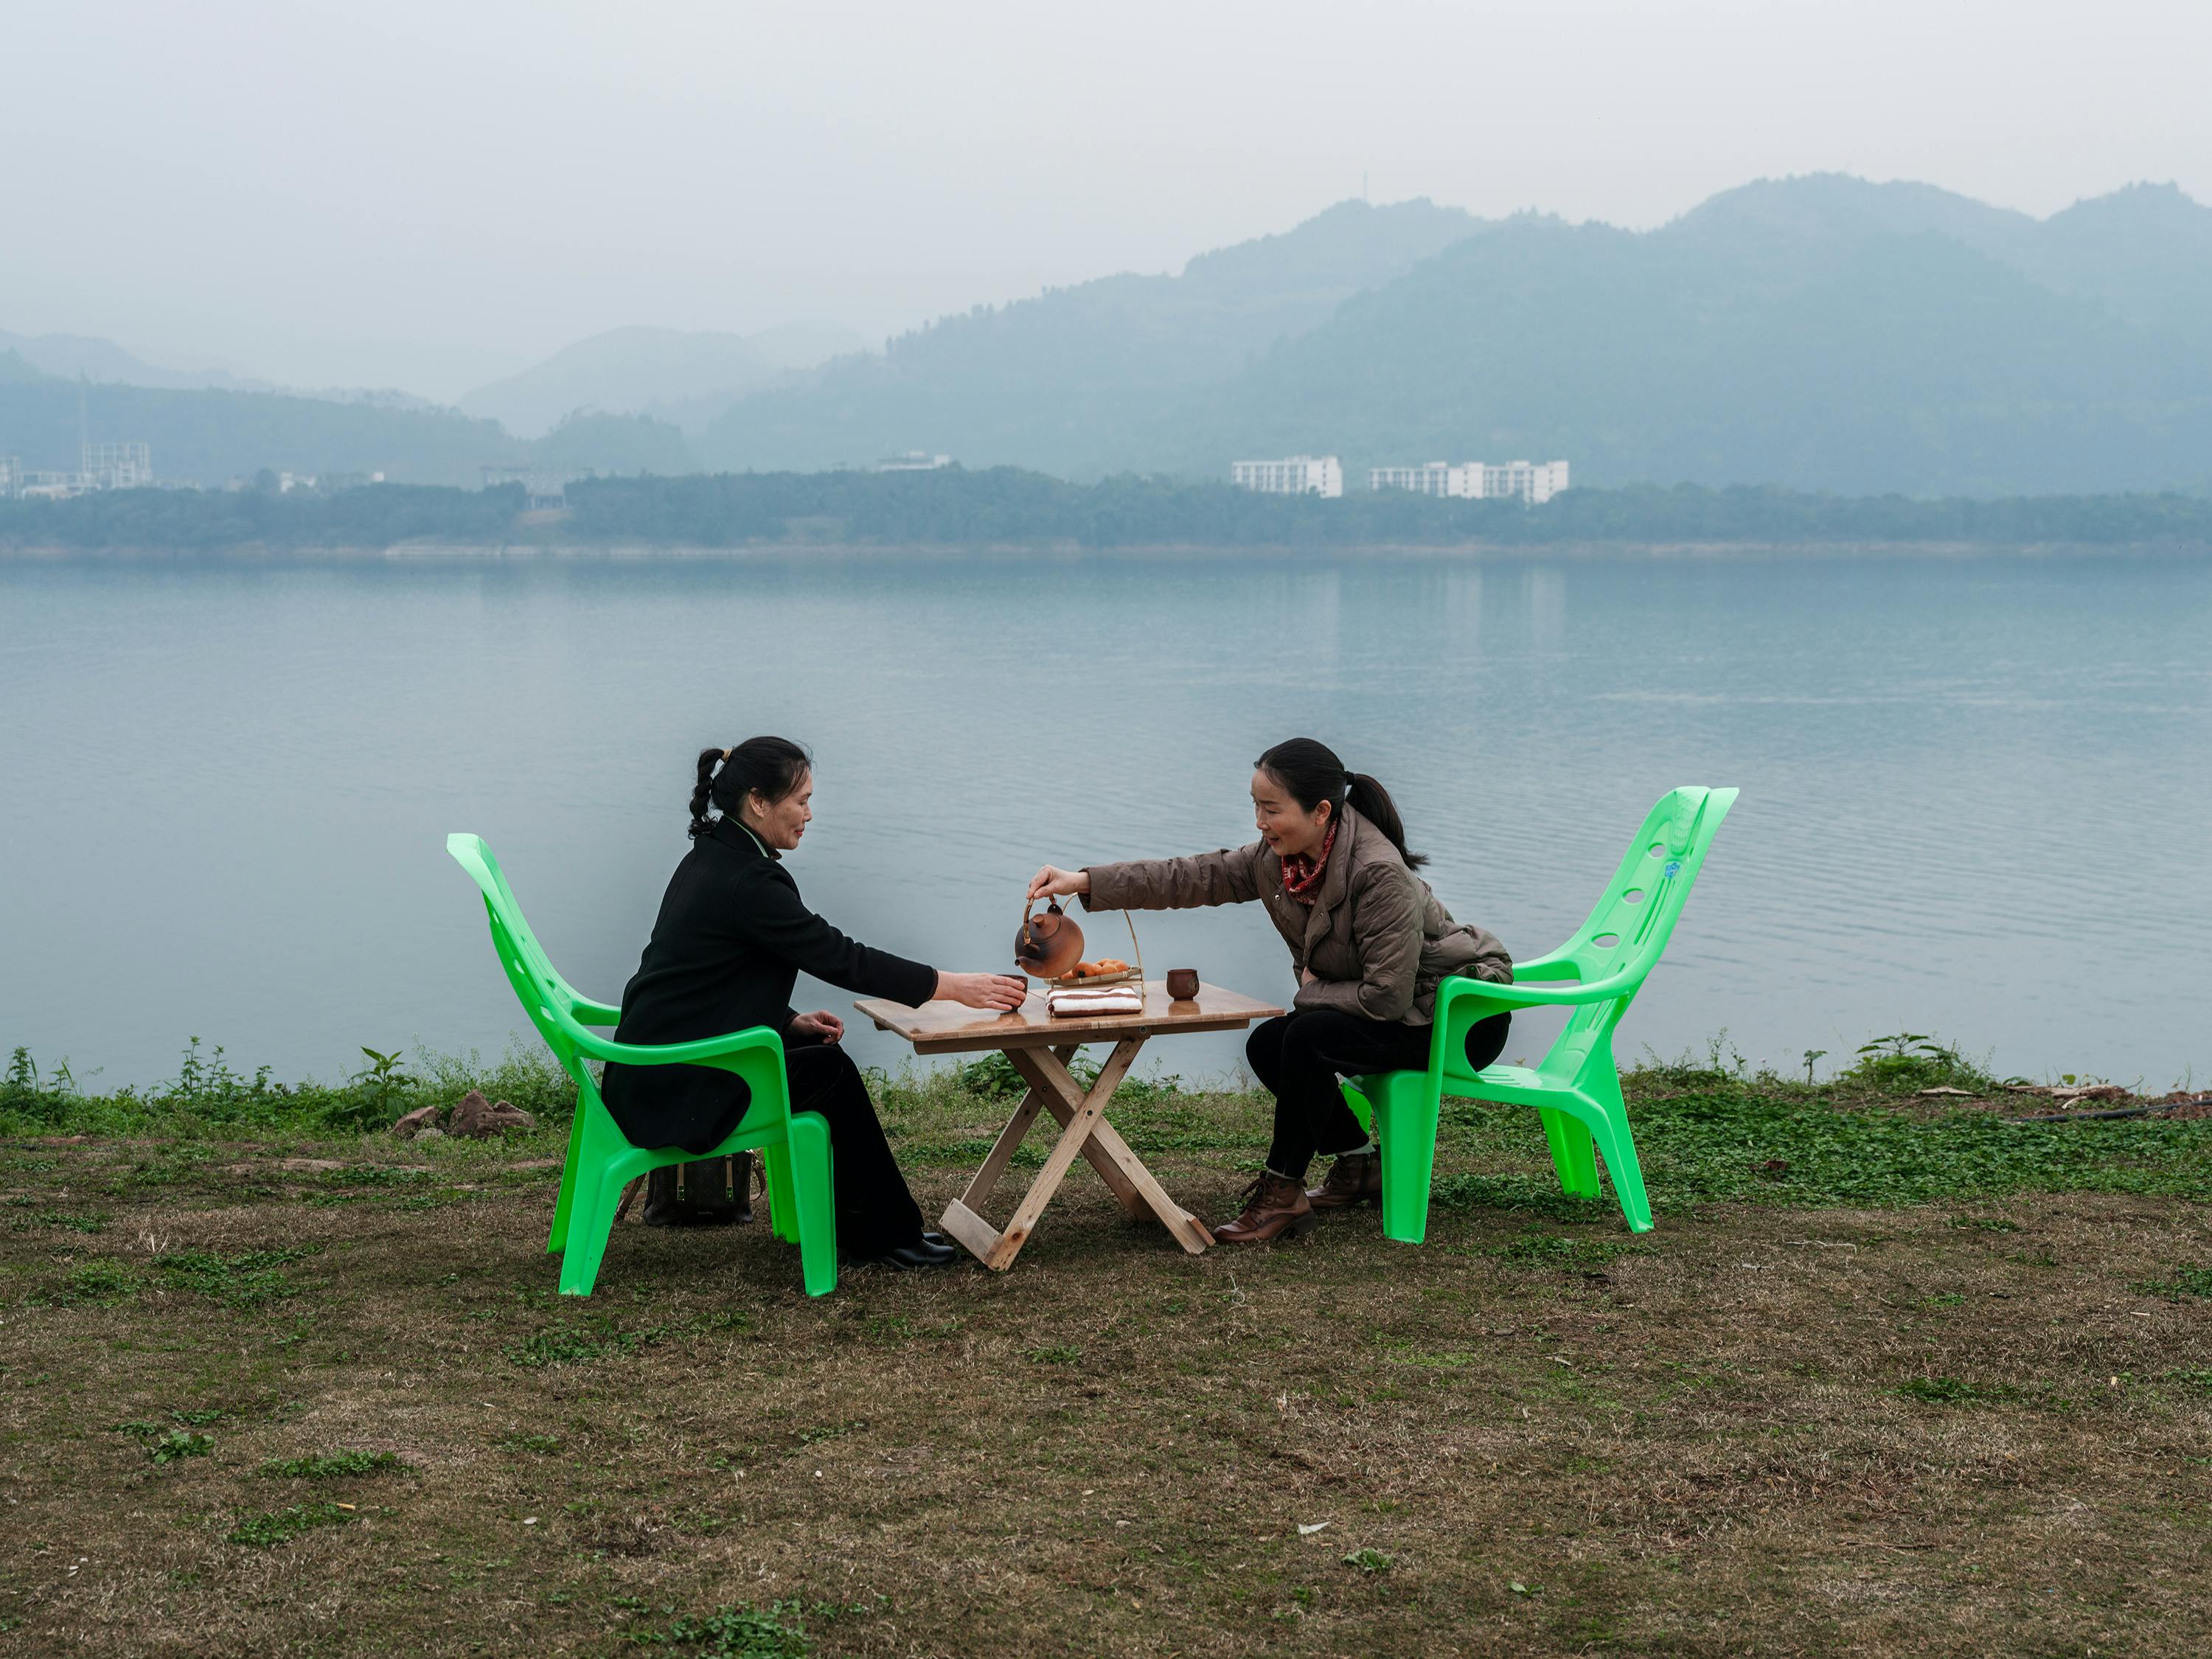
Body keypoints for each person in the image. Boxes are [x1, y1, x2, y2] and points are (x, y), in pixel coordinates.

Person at [1028, 737, 1512, 1244]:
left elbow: (1385, 999)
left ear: (1321, 811)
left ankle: (1283, 1195)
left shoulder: (1377, 873)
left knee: (1305, 1036)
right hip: (1400, 1008)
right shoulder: (1279, 860)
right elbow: (1188, 878)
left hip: (1457, 1020)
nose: (1259, 821)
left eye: (1271, 809)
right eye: (1255, 806)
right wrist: (1083, 882)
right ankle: (1359, 1165)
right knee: (1269, 1043)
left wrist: (1313, 992)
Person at [603, 737, 1026, 1271]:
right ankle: (882, 1236)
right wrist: (951, 986)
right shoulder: (747, 880)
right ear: (759, 801)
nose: (809, 813)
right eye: (800, 800)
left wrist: (786, 1021)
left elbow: (704, 981)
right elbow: (839, 956)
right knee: (829, 1073)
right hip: (674, 1088)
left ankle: (875, 1230)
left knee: (821, 1063)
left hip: (653, 1074)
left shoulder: (714, 857)